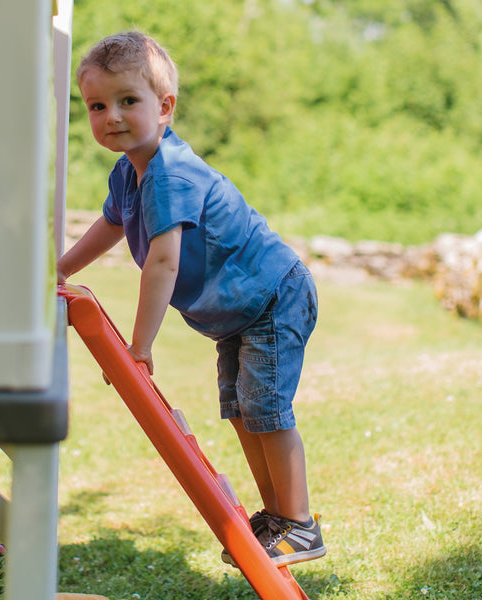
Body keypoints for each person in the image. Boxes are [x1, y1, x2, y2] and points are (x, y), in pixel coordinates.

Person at [57, 31, 326, 567]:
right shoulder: (127, 173)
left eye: (128, 101)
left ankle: (300, 524)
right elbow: (110, 226)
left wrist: (139, 347)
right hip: (240, 314)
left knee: (266, 409)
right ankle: (276, 519)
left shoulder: (171, 173)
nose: (111, 115)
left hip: (273, 296)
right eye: (97, 105)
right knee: (243, 412)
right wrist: (57, 269)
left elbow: (163, 261)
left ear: (165, 107)